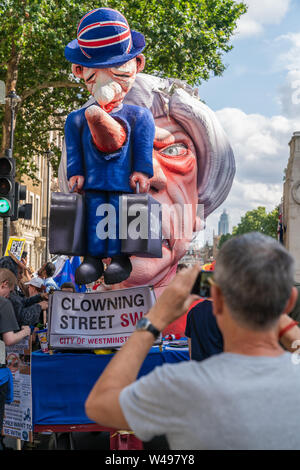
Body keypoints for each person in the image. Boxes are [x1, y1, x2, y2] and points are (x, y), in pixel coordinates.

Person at [85, 232, 300, 450]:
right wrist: (277, 313)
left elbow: (99, 405)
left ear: (215, 303)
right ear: (290, 301)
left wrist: (154, 319)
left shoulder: (181, 385)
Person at [59, 73, 235, 335]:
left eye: (173, 150)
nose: (151, 177)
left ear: (198, 209)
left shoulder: (215, 320)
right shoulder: (71, 318)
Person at [61, 7, 155, 286]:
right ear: (79, 71)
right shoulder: (76, 119)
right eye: (95, 74)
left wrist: (142, 170)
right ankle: (91, 258)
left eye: (117, 71)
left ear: (137, 64)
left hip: (121, 182)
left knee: (118, 216)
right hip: (91, 181)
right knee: (92, 216)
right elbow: (74, 146)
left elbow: (143, 140)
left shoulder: (138, 116)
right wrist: (75, 170)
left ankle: (118, 257)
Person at [0, 273, 31, 450]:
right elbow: (10, 339)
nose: (9, 296)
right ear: (4, 284)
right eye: (9, 291)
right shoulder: (3, 304)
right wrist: (25, 331)